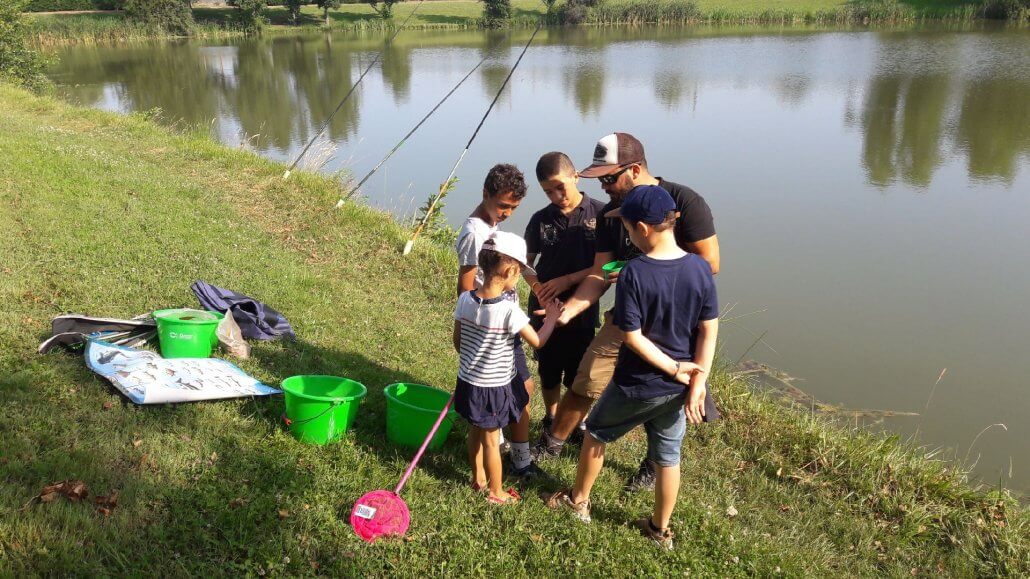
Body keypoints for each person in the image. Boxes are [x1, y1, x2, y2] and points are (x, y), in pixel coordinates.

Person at [533, 133, 721, 494]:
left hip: (676, 318)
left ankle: (653, 465)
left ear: (635, 170)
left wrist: (651, 268)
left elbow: (710, 264)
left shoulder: (685, 202)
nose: (603, 187)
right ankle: (553, 443)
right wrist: (569, 310)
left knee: (670, 392)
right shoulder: (611, 214)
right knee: (587, 378)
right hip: (629, 314)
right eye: (598, 180)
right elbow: (600, 273)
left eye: (609, 178)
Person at [543, 185, 719, 550]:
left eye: (625, 227)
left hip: (637, 383)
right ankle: (659, 530)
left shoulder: (634, 273)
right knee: (668, 458)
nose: (625, 234)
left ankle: (578, 502)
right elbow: (709, 329)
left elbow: (633, 338)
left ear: (642, 228)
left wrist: (674, 369)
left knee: (596, 434)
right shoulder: (700, 268)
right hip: (678, 389)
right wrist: (697, 378)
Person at [454, 232, 563, 504]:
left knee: (475, 431)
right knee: (492, 441)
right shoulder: (508, 311)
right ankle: (495, 491)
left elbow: (457, 341)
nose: (519, 280)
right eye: (519, 274)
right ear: (509, 270)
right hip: (492, 387)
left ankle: (477, 477)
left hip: (467, 380)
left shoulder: (465, 299)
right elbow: (537, 341)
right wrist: (551, 319)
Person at [455, 163, 544, 479]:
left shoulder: (492, 228)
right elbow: (466, 283)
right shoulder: (473, 232)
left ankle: (508, 444)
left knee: (522, 387)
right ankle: (520, 460)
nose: (507, 212)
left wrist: (537, 287)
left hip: (504, 324)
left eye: (513, 208)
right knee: (522, 387)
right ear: (485, 194)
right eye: (503, 205)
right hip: (494, 329)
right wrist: (472, 323)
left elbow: (516, 263)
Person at [523, 152, 606, 428]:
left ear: (576, 176)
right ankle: (551, 416)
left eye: (561, 187)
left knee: (579, 371)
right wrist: (538, 287)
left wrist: (569, 279)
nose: (557, 196)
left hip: (582, 306)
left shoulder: (602, 214)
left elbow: (611, 264)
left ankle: (576, 422)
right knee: (548, 369)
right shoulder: (540, 220)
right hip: (544, 307)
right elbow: (524, 262)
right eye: (548, 192)